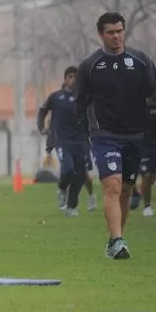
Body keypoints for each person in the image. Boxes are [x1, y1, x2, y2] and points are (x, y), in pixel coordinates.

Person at [75, 12, 156, 259]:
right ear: (101, 34)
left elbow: (155, 93)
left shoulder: (141, 61)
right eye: (111, 32)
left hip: (136, 135)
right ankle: (118, 240)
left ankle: (115, 239)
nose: (116, 36)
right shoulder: (89, 66)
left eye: (119, 31)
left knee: (125, 190)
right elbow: (81, 103)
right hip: (104, 134)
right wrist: (85, 132)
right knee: (112, 185)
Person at [37, 66, 89, 217]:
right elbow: (42, 110)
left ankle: (71, 207)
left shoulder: (84, 97)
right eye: (70, 76)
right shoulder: (56, 97)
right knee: (68, 169)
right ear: (65, 79)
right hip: (62, 140)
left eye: (75, 77)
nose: (73, 79)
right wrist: (41, 127)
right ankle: (61, 188)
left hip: (80, 141)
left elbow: (92, 114)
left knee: (80, 175)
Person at [137, 99, 156, 218]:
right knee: (146, 175)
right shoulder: (140, 106)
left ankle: (139, 193)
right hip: (144, 146)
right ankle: (147, 207)